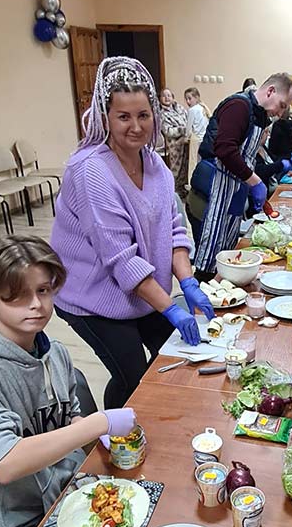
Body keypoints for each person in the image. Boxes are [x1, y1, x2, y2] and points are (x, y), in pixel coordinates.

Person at [0, 235, 137, 527]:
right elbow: (6, 463)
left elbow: (66, 411)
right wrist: (97, 423)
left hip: (52, 494)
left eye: (43, 291)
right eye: (18, 296)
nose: (36, 305)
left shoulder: (54, 352)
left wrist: (83, 425)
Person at [51, 57, 213, 409]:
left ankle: (159, 416)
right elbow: (122, 261)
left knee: (173, 353)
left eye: (143, 115)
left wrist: (188, 283)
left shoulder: (154, 164)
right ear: (105, 117)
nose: (136, 126)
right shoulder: (91, 171)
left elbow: (174, 229)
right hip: (91, 298)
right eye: (123, 116)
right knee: (132, 374)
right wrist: (172, 309)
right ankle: (113, 436)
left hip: (140, 291)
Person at [189, 73, 292, 280]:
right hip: (211, 196)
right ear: (270, 91)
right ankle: (201, 308)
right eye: (282, 105)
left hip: (232, 195)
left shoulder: (259, 116)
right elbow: (225, 150)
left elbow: (245, 159)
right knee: (208, 266)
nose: (281, 112)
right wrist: (255, 181)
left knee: (229, 262)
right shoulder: (239, 106)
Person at [246, 126, 292, 214]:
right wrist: (282, 164)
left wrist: (288, 164)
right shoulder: (250, 152)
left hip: (273, 192)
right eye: (266, 132)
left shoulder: (263, 148)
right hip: (260, 201)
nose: (268, 134)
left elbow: (274, 161)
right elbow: (261, 171)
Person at [160, 88, 189, 199]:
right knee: (176, 170)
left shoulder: (180, 108)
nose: (167, 98)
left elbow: (189, 121)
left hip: (187, 142)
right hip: (174, 145)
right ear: (160, 99)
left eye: (169, 95)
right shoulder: (162, 114)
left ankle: (183, 189)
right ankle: (174, 193)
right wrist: (183, 130)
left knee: (187, 168)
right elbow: (168, 131)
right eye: (164, 95)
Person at [184, 86, 211, 183]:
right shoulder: (203, 107)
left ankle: (191, 183)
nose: (187, 101)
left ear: (196, 97)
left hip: (196, 138)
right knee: (201, 162)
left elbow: (188, 127)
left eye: (189, 98)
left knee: (193, 162)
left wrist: (186, 137)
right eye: (186, 99)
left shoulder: (192, 110)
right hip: (204, 138)